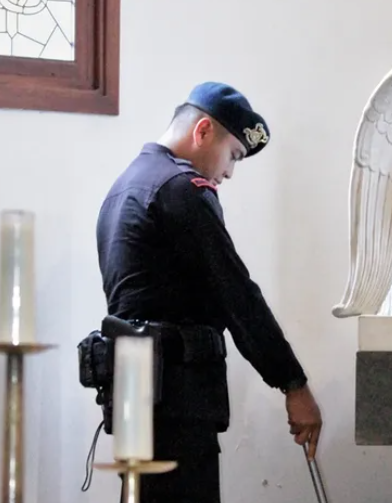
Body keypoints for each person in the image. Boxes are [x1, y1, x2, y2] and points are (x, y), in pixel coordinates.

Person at [95, 81, 323, 503]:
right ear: (203, 131)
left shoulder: (125, 187)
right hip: (177, 404)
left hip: (136, 401)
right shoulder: (181, 189)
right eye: (233, 154)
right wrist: (293, 383)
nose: (230, 171)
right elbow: (236, 294)